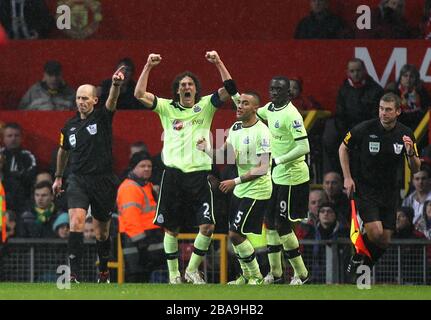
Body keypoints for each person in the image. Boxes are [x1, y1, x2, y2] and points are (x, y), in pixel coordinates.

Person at [134, 51, 230, 284]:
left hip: (200, 175)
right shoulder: (167, 108)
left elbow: (230, 88)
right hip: (173, 175)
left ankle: (192, 270)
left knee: (208, 226)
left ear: (196, 89)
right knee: (171, 229)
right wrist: (147, 66)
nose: (186, 87)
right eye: (182, 85)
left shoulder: (206, 106)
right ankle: (174, 275)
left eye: (190, 84)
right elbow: (138, 94)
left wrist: (218, 62)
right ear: (177, 90)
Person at [52, 66, 126, 283]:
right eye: (78, 98)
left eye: (85, 98)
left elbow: (112, 102)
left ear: (94, 100)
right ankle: (73, 274)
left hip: (103, 180)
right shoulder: (70, 126)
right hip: (78, 179)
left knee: (101, 233)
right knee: (76, 221)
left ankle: (103, 271)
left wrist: (115, 85)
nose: (81, 101)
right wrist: (58, 176)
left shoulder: (102, 117)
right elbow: (63, 150)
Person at [339, 92, 421, 281]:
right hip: (366, 189)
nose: (384, 113)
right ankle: (357, 260)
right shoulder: (365, 128)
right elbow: (343, 148)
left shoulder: (406, 133)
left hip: (390, 192)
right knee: (375, 232)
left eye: (388, 110)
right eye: (381, 109)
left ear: (398, 111)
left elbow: (415, 169)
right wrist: (347, 177)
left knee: (384, 240)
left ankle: (360, 268)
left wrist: (410, 153)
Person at [197, 90, 272, 285]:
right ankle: (246, 276)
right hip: (241, 191)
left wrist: (235, 181)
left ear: (255, 108)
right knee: (236, 234)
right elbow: (223, 156)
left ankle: (256, 277)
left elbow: (263, 168)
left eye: (245, 103)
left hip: (258, 190)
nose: (239, 106)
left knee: (235, 234)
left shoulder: (262, 131)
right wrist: (206, 149)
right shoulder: (236, 128)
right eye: (239, 103)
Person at [322, 58, 383, 174]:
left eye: (358, 70)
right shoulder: (343, 90)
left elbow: (376, 116)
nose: (356, 74)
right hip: (347, 131)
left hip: (367, 131)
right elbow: (340, 115)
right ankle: (334, 177)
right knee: (330, 139)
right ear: (348, 72)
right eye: (352, 71)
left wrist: (361, 132)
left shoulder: (376, 90)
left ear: (364, 70)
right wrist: (348, 134)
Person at [117, 151, 165, 282]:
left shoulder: (147, 186)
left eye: (149, 166)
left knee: (146, 278)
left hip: (149, 238)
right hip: (137, 241)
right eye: (142, 166)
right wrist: (141, 243)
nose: (147, 169)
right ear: (133, 168)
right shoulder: (130, 188)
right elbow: (130, 218)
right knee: (136, 277)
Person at [0, 122, 38, 213]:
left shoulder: (28, 155)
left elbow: (31, 176)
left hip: (23, 197)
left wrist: (8, 176)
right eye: (9, 136)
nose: (13, 138)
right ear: (3, 139)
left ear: (21, 138)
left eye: (16, 135)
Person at [385, 64, 431, 130]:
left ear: (416, 79)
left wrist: (418, 105)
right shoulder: (393, 91)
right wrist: (400, 105)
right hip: (398, 127)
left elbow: (427, 112)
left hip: (419, 127)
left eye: (411, 76)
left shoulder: (421, 92)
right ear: (401, 78)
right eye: (405, 76)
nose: (408, 79)